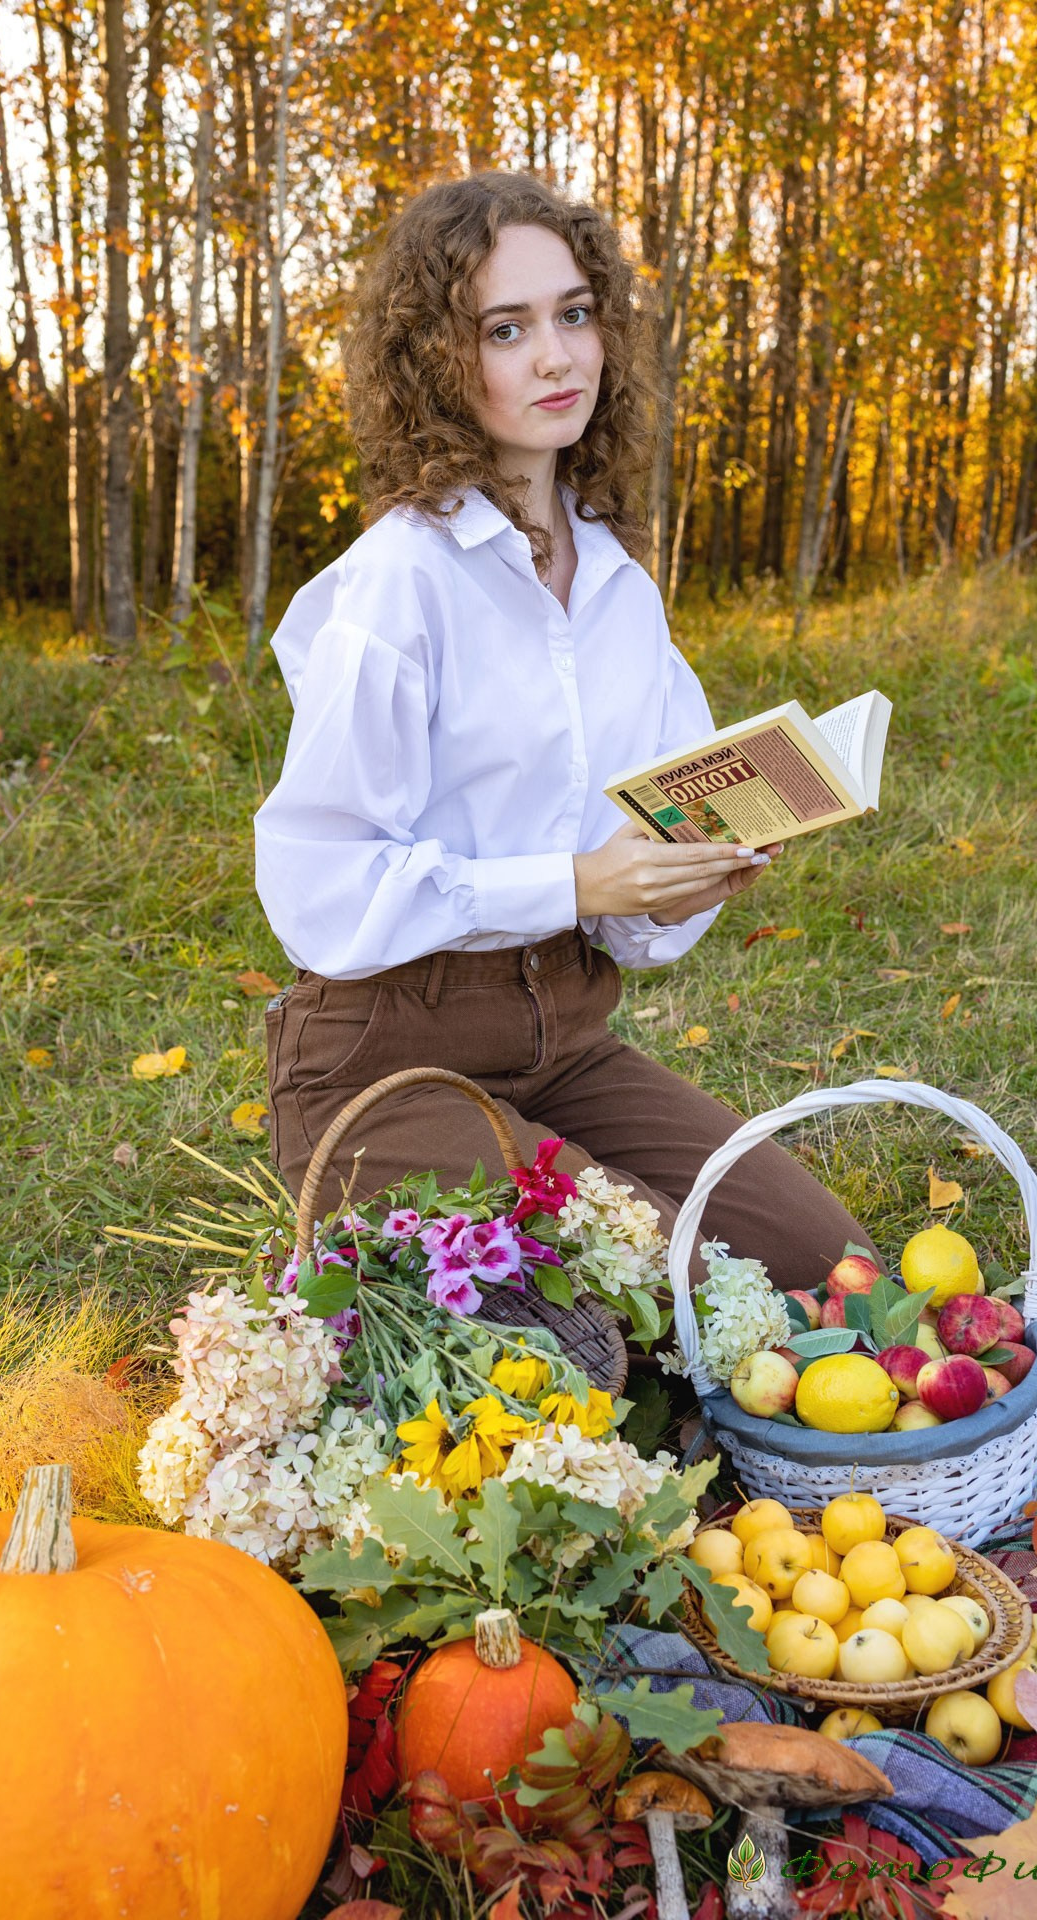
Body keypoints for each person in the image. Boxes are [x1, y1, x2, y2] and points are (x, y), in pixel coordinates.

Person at [255, 171, 878, 1297]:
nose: (556, 357)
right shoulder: (399, 581)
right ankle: (380, 1230)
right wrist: (580, 882)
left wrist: (680, 882)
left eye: (574, 314)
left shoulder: (616, 583)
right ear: (436, 360)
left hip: (565, 1044)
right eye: (506, 329)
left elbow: (628, 901)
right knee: (686, 1303)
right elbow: (322, 888)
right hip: (383, 1065)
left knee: (834, 1273)